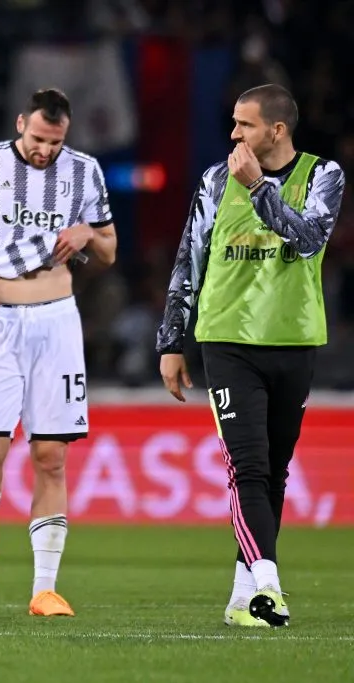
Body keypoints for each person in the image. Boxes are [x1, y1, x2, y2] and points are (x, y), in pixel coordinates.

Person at [156, 84, 345, 628]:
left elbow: (308, 239)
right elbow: (187, 261)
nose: (233, 134)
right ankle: (269, 585)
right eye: (233, 124)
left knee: (276, 472)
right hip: (229, 342)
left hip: (294, 340)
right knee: (249, 468)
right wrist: (172, 341)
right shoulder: (217, 181)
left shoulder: (323, 175)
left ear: (277, 131)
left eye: (245, 124)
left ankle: (243, 596)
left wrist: (260, 188)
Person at [0, 88, 117, 617]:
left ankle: (44, 588)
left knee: (51, 456)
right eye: (38, 139)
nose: (45, 150)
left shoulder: (84, 172)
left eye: (55, 142)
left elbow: (109, 250)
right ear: (22, 124)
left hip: (58, 321)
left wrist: (87, 233)